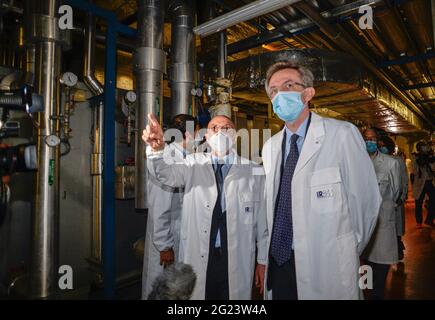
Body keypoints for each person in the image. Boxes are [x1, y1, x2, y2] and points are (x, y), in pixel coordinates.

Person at [261, 61, 381, 300]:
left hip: (326, 266)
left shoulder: (342, 134)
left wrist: (345, 250)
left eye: (288, 85)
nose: (279, 94)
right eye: (273, 90)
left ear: (308, 93)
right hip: (280, 263)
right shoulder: (270, 147)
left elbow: (366, 203)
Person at [143, 114, 268, 300]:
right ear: (207, 136)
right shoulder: (192, 163)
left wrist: (262, 260)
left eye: (226, 128)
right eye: (214, 128)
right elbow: (166, 174)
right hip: (199, 255)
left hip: (235, 258)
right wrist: (157, 150)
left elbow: (262, 222)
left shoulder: (253, 171)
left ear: (235, 135)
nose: (219, 132)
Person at [141, 114, 198, 299]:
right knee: (160, 290)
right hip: (166, 241)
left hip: (179, 237)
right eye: (198, 132)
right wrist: (164, 246)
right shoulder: (168, 158)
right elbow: (160, 206)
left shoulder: (187, 157)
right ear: (189, 133)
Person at [362, 128, 401, 300]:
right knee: (365, 273)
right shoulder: (355, 161)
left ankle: (376, 295)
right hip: (362, 228)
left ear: (377, 140)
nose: (369, 141)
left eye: (372, 139)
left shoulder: (390, 163)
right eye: (366, 138)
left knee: (381, 271)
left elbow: (397, 191)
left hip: (383, 224)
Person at [378, 135, 408, 260]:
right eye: (380, 146)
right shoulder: (376, 160)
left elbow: (403, 180)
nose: (381, 148)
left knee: (396, 228)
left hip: (395, 200)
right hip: (382, 202)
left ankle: (398, 248)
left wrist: (402, 196)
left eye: (383, 146)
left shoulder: (398, 161)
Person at [410, 141, 435, 228]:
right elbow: (414, 171)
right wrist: (419, 161)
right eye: (423, 147)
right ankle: (419, 222)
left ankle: (429, 219)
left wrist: (429, 160)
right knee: (418, 202)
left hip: (429, 182)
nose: (425, 148)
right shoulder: (415, 157)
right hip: (420, 183)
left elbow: (433, 169)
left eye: (425, 146)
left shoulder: (430, 157)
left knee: (433, 200)